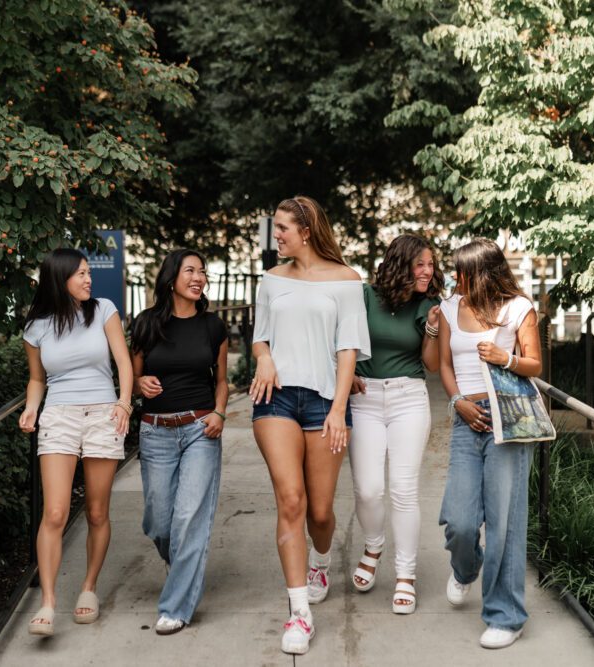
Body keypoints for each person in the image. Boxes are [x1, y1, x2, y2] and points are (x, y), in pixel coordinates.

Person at [251, 196, 371, 655]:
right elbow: (260, 338)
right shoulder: (271, 280)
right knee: (291, 501)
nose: (275, 235)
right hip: (275, 398)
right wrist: (263, 359)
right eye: (274, 226)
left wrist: (339, 409)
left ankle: (320, 562)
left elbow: (347, 351)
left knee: (320, 513)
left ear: (307, 231)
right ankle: (299, 613)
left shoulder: (346, 281)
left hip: (324, 402)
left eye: (282, 228)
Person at [19, 248, 134, 636]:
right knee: (55, 513)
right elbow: (37, 379)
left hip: (104, 413)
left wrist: (124, 403)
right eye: (81, 274)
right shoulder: (36, 327)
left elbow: (124, 362)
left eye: (89, 273)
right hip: (59, 416)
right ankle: (48, 603)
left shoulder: (103, 310)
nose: (89, 279)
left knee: (97, 511)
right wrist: (32, 408)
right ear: (59, 277)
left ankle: (88, 589)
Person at [437, 238, 542, 649]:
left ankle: (506, 616)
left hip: (509, 421)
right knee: (460, 520)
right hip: (468, 420)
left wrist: (506, 359)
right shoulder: (449, 308)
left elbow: (534, 364)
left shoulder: (518, 308)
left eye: (460, 271)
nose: (454, 277)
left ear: (480, 272)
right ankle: (466, 569)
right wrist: (457, 401)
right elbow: (444, 365)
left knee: (505, 525)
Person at [130, 249, 229, 636]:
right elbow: (132, 377)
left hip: (199, 429)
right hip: (155, 430)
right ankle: (183, 566)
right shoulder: (146, 324)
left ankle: (176, 606)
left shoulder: (212, 326)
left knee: (190, 517)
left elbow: (221, 380)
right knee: (158, 521)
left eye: (202, 271)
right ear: (171, 278)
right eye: (191, 270)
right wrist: (139, 384)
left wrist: (219, 413)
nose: (199, 277)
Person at [348, 234, 443, 614]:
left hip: (408, 398)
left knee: (403, 490)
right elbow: (344, 342)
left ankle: (406, 575)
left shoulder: (427, 305)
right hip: (364, 398)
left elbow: (433, 365)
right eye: (420, 264)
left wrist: (433, 328)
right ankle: (374, 545)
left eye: (431, 264)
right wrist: (347, 374)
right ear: (401, 264)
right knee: (368, 489)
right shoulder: (364, 296)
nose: (428, 271)